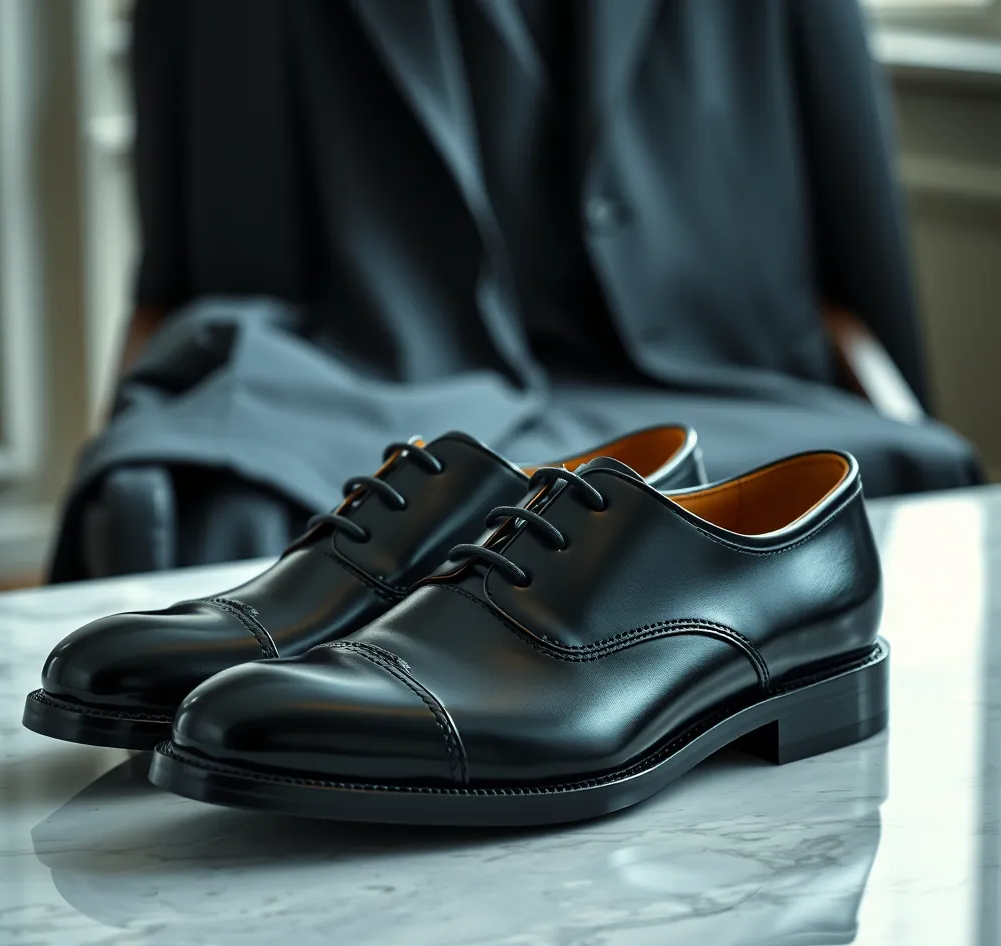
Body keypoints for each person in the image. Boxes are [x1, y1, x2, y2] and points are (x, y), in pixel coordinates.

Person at [50, 0, 981, 581]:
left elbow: (851, 187)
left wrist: (917, 417)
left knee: (905, 466)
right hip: (365, 361)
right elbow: (178, 254)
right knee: (192, 493)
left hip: (698, 360)